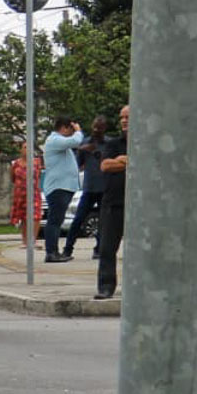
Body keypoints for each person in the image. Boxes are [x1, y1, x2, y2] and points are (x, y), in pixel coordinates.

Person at [95, 105, 129, 300]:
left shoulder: (147, 141)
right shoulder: (113, 143)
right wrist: (129, 161)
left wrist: (124, 160)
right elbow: (106, 165)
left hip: (140, 206)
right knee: (107, 248)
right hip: (113, 202)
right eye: (121, 117)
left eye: (128, 117)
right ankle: (106, 287)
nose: (124, 121)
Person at [63, 114, 108, 261]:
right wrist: (83, 150)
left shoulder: (109, 144)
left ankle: (99, 249)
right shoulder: (85, 143)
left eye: (99, 128)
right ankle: (68, 248)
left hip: (104, 187)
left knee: (103, 221)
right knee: (78, 219)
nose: (96, 131)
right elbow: (78, 164)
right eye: (95, 128)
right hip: (89, 187)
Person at [40, 115, 84, 263]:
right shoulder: (55, 140)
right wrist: (78, 131)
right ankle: (51, 252)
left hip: (63, 186)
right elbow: (76, 141)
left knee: (56, 220)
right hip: (58, 187)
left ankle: (54, 251)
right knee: (55, 220)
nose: (73, 132)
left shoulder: (60, 143)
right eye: (71, 129)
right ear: (64, 128)